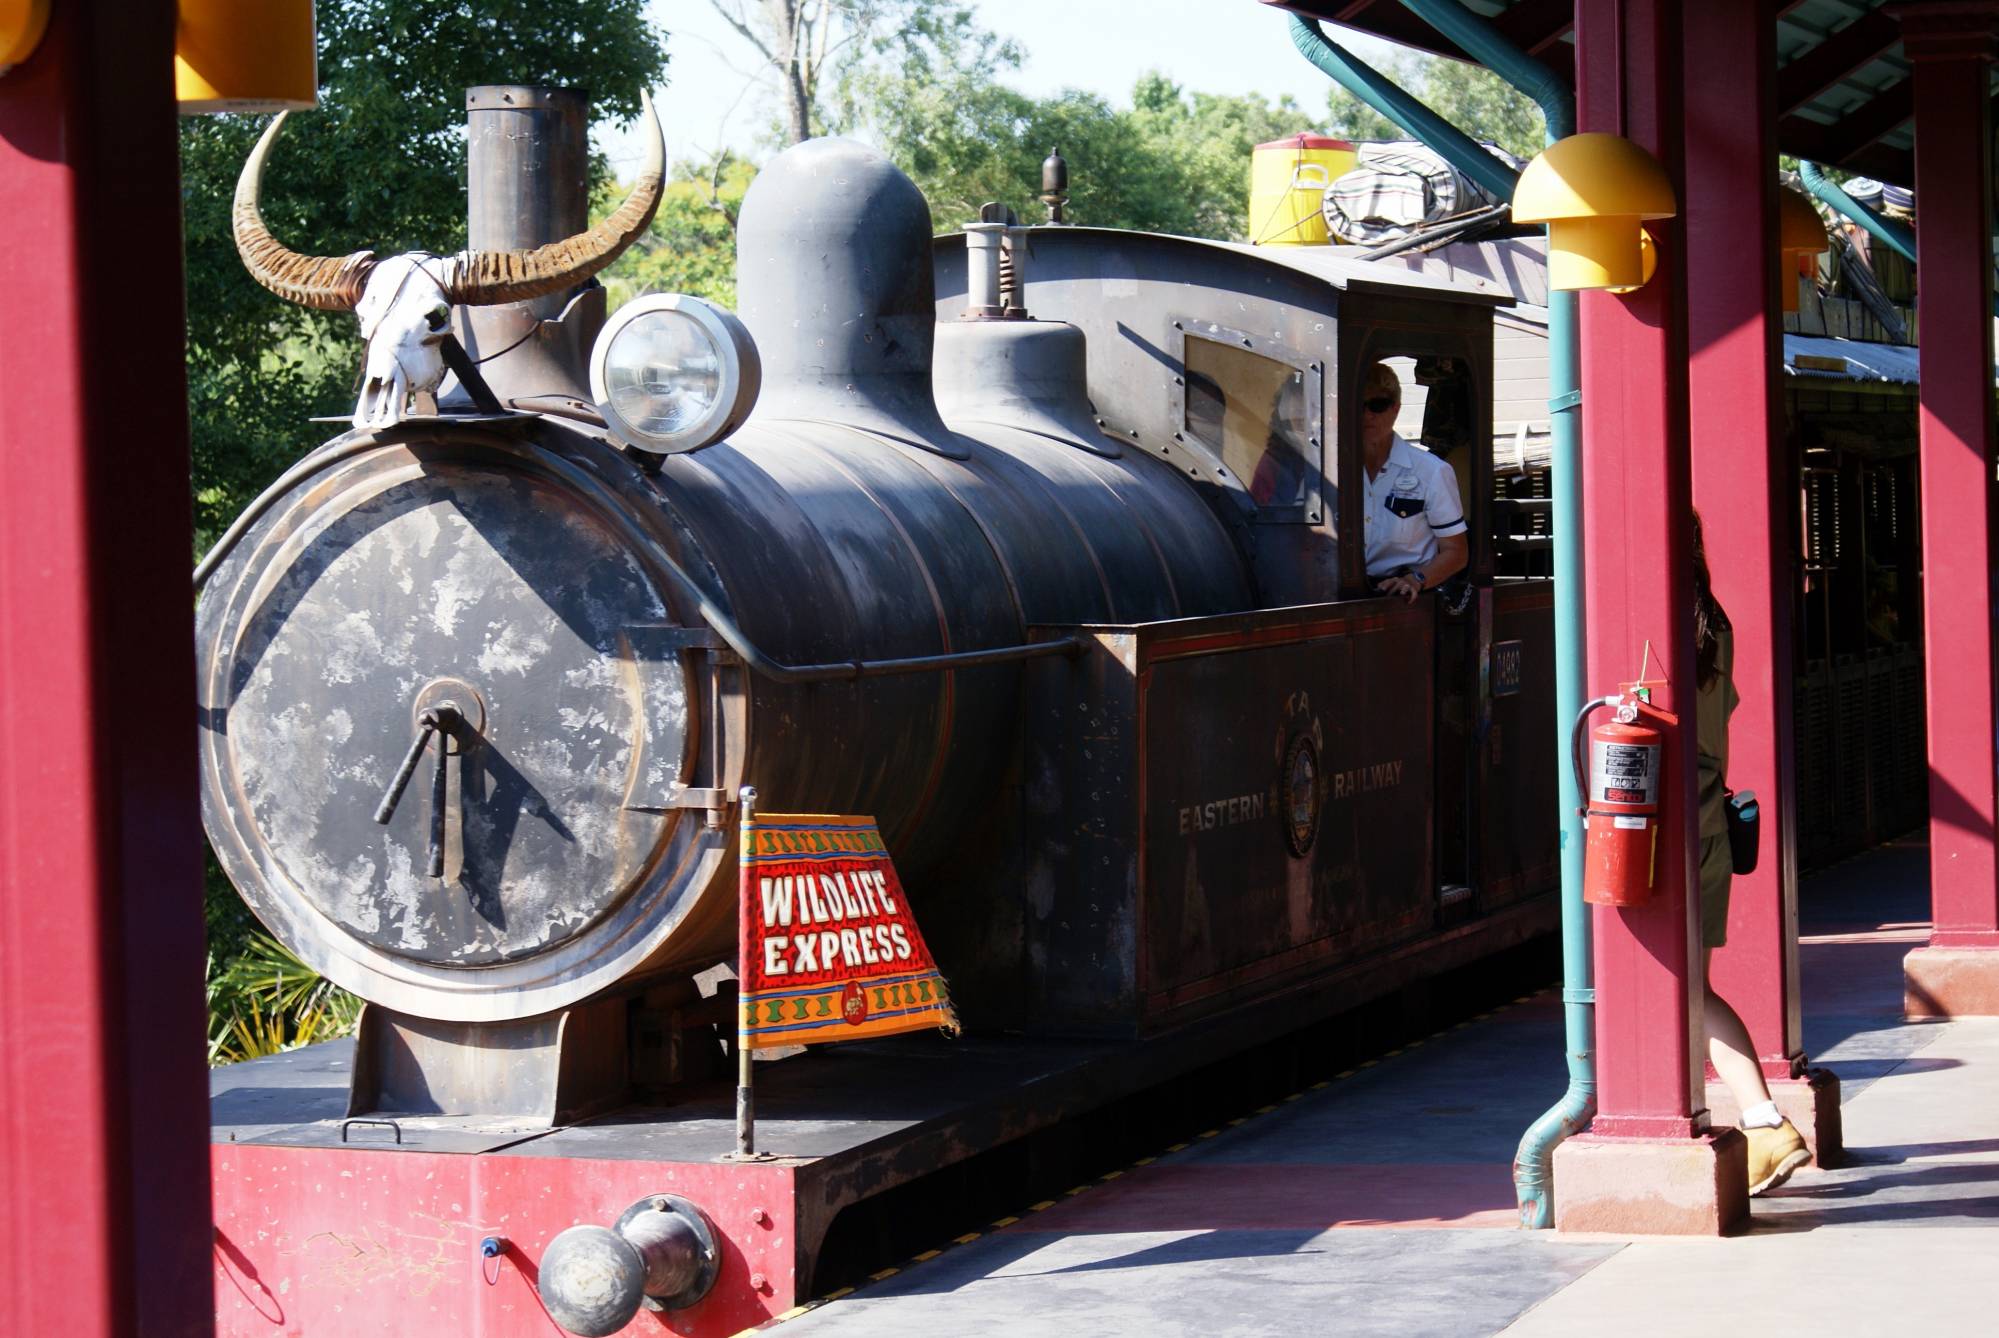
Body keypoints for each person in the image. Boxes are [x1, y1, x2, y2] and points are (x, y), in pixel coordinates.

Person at [1692, 510, 1810, 1196]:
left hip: (1668, 826)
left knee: (1683, 991)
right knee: (1693, 986)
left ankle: (1765, 1122)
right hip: (1711, 817)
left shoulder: (1660, 625)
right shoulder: (1714, 623)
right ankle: (1760, 1122)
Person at [1359, 361, 1468, 602]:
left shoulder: (1432, 471)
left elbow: (1456, 552)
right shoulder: (1331, 468)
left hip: (1406, 601)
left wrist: (1416, 580)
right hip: (1346, 596)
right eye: (1360, 405)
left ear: (1396, 409)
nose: (1367, 414)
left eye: (1378, 405)